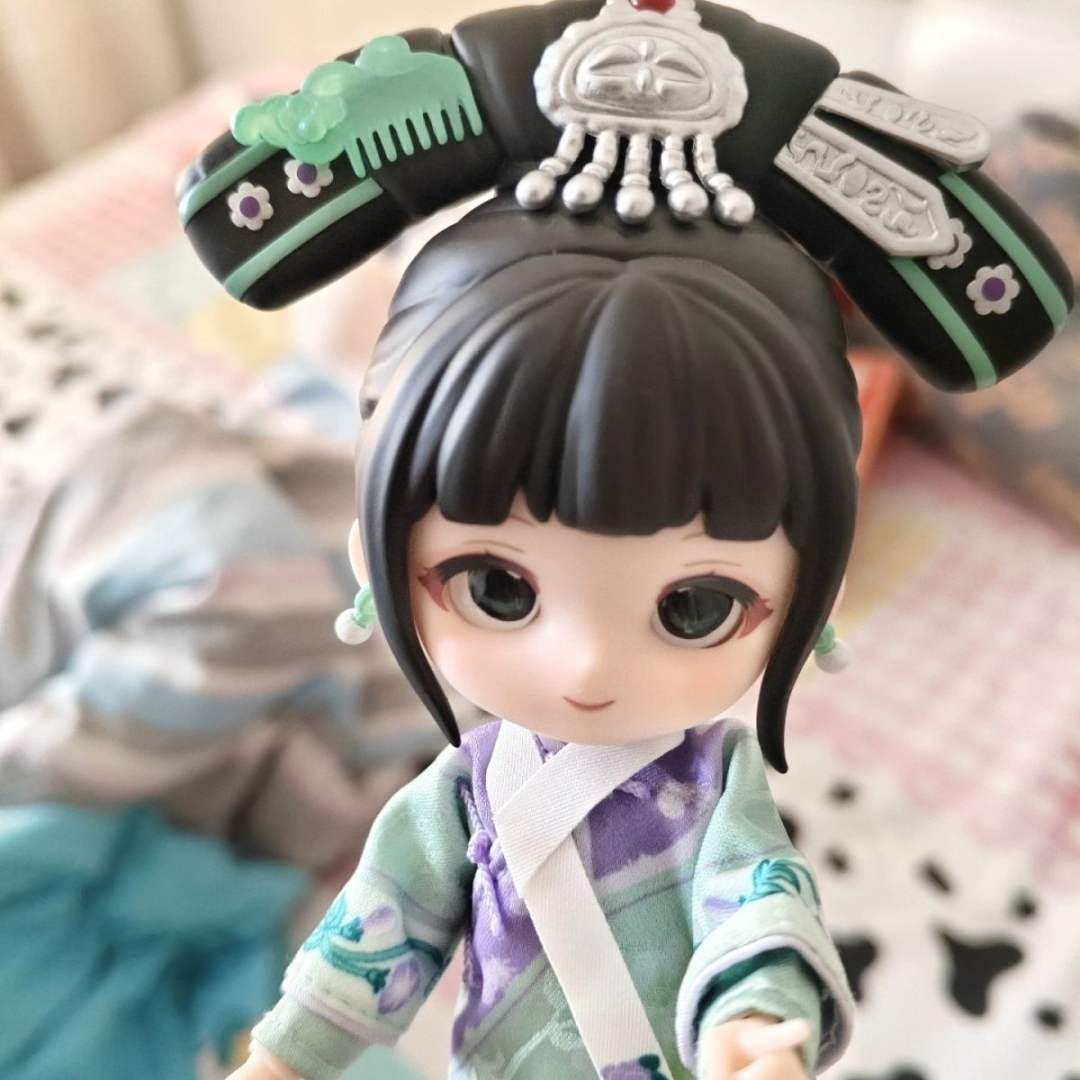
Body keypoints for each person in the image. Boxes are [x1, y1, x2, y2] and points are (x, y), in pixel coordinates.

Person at [176, 3, 1071, 1076]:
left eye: (694, 606)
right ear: (377, 553)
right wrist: (289, 1055)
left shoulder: (711, 789)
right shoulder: (466, 792)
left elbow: (754, 906)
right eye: (497, 587)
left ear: (813, 593)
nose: (589, 666)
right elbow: (382, 932)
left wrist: (755, 1021)